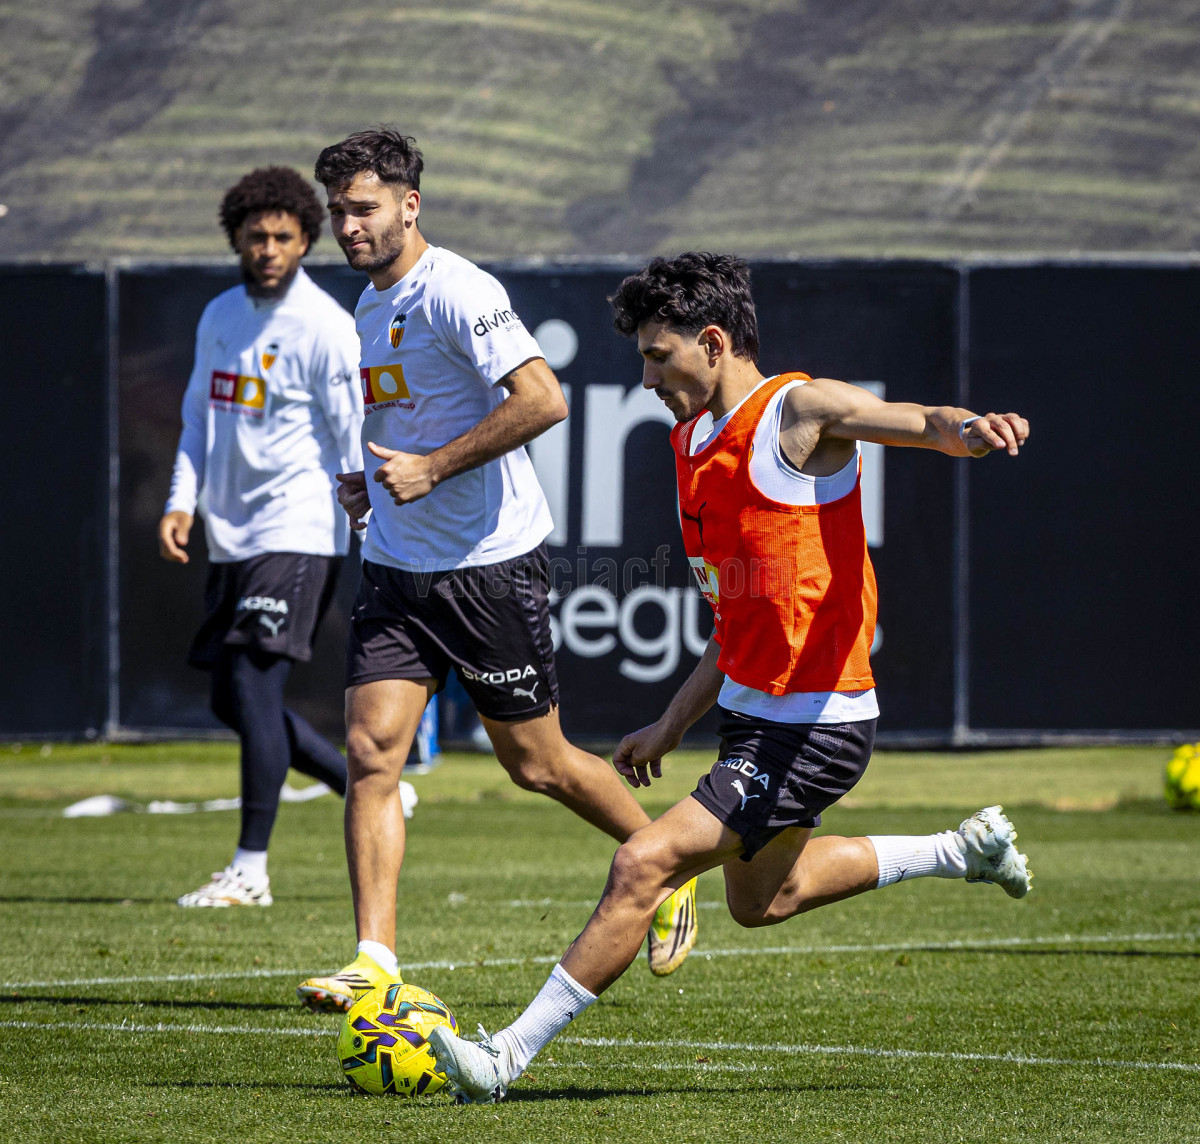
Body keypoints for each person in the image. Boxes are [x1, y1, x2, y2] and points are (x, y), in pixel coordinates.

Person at [425, 251, 1034, 1103]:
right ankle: (960, 849)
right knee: (765, 900)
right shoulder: (689, 443)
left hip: (817, 722)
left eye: (658, 356)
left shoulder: (798, 410)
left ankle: (504, 1058)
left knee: (644, 862)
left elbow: (919, 421)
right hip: (755, 717)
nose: (646, 378)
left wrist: (970, 429)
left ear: (713, 343)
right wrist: (671, 724)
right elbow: (733, 622)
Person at [295, 130, 698, 1012]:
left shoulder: (459, 289)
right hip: (395, 565)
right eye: (338, 212)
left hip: (487, 569)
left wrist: (433, 469)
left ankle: (666, 865)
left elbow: (544, 400)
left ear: (410, 205)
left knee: (538, 764)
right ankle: (374, 961)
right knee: (370, 752)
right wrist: (373, 479)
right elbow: (410, 415)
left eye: (364, 208)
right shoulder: (367, 304)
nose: (348, 226)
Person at [160, 167, 364, 907]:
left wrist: (365, 515)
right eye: (257, 237)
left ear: (306, 241)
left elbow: (353, 432)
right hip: (230, 533)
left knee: (252, 681)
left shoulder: (325, 326)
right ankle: (366, 785)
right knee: (230, 698)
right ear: (238, 240)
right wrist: (181, 501)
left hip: (299, 528)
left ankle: (250, 869)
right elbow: (197, 418)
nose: (269, 249)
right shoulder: (219, 315)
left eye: (283, 236)